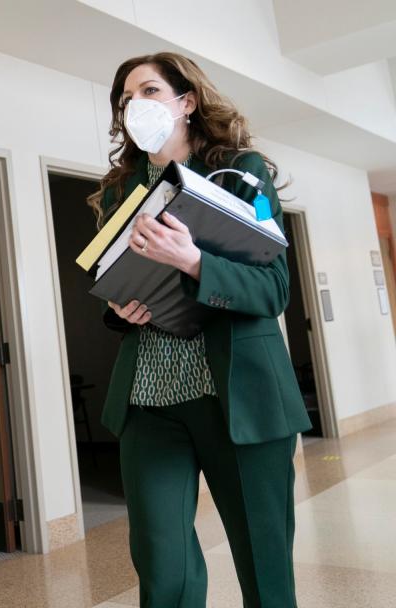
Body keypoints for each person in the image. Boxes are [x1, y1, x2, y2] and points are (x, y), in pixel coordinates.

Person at [88, 52, 311, 607]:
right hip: (151, 399)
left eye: (148, 91)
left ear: (186, 102)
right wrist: (120, 311)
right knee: (163, 568)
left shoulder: (241, 171)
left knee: (264, 566)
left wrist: (194, 262)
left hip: (238, 395)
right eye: (124, 99)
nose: (133, 105)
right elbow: (114, 280)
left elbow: (273, 288)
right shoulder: (120, 191)